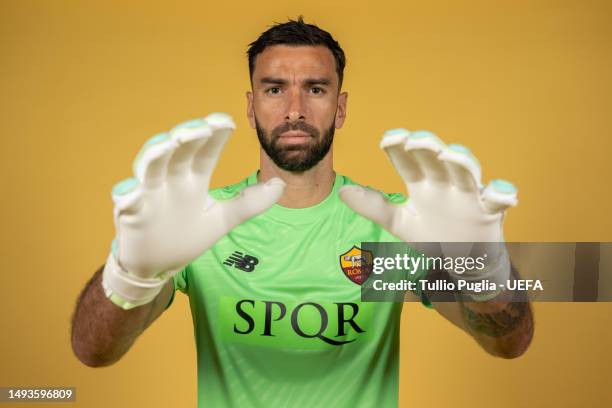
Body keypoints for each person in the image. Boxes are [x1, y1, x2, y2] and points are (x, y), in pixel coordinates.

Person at [71, 17, 534, 407]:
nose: (294, 109)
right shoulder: (198, 225)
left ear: (341, 106)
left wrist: (483, 268)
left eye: (315, 88)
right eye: (274, 89)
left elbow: (509, 343)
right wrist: (131, 274)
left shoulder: (396, 228)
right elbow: (92, 352)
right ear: (251, 108)